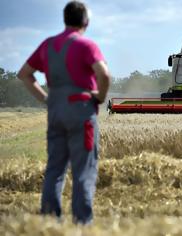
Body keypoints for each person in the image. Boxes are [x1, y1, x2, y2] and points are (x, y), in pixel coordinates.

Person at [17, 1, 111, 224]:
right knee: (83, 170)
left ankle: (50, 223)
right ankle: (82, 223)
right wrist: (99, 96)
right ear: (85, 21)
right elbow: (104, 75)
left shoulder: (47, 45)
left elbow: (24, 74)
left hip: (55, 111)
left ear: (65, 19)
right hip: (81, 110)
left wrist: (46, 99)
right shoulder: (86, 45)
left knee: (55, 168)